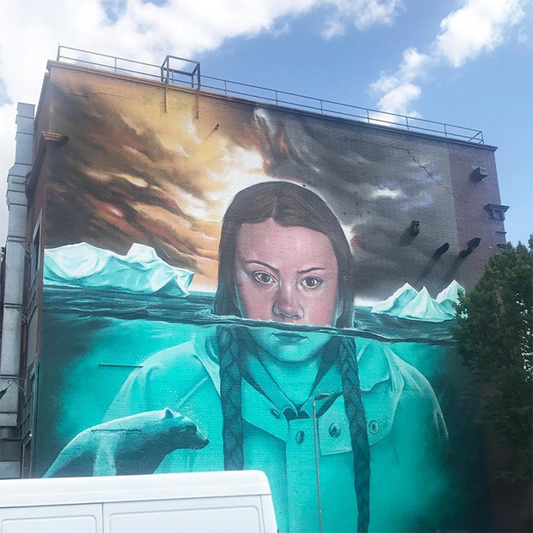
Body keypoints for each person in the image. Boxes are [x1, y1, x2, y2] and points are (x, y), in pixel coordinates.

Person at [47, 182, 449, 533]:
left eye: (311, 281)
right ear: (231, 282)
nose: (287, 306)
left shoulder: (408, 396)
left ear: (341, 288)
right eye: (262, 276)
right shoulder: (159, 386)